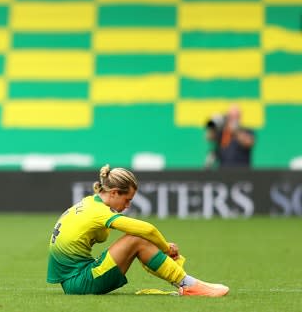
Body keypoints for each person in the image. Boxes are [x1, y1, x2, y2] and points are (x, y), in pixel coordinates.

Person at [46, 164, 229, 296]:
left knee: (137, 241)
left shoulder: (90, 202)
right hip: (79, 282)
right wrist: (165, 247)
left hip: (75, 278)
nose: (127, 206)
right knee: (137, 239)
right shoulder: (99, 211)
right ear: (114, 192)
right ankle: (188, 284)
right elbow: (148, 230)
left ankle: (186, 282)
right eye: (127, 200)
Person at [205, 104, 255, 168]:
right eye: (230, 116)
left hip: (242, 172)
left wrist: (236, 131)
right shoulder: (224, 133)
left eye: (235, 116)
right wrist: (214, 124)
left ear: (240, 116)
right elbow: (209, 137)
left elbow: (249, 142)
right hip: (224, 172)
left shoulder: (247, 130)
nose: (233, 119)